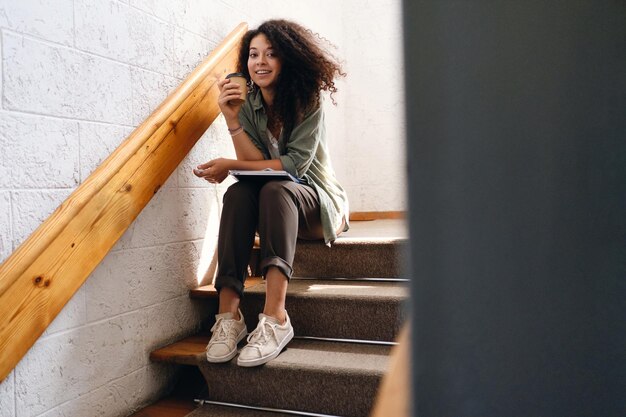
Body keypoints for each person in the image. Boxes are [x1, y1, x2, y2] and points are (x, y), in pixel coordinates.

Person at [193, 19, 349, 367]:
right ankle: (229, 317)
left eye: (271, 54)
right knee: (237, 193)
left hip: (317, 203)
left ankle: (276, 318)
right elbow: (255, 165)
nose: (259, 62)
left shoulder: (307, 98)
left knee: (276, 188)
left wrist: (229, 163)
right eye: (253, 54)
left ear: (288, 59)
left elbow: (294, 166)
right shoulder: (247, 102)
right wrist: (231, 118)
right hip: (273, 202)